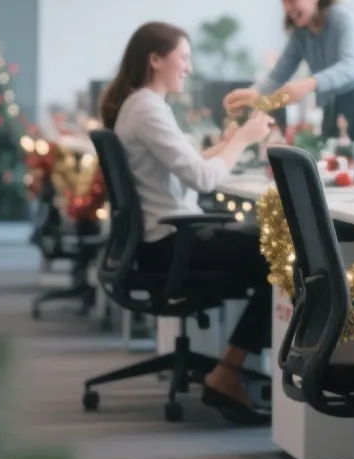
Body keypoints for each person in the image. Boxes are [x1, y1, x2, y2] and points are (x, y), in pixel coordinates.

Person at [100, 22, 277, 425]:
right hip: (169, 242)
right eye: (184, 57)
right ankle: (229, 371)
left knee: (268, 242)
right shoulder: (147, 108)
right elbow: (202, 179)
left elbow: (189, 165)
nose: (189, 68)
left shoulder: (142, 105)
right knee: (282, 254)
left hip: (161, 238)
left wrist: (228, 142)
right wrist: (244, 141)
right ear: (156, 59)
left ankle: (234, 367)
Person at [224, 0, 354, 165]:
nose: (288, 8)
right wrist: (252, 93)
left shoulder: (342, 16)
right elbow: (277, 76)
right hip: (334, 105)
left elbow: (349, 66)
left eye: (293, 0)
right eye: (284, 2)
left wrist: (307, 84)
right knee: (336, 170)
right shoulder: (300, 33)